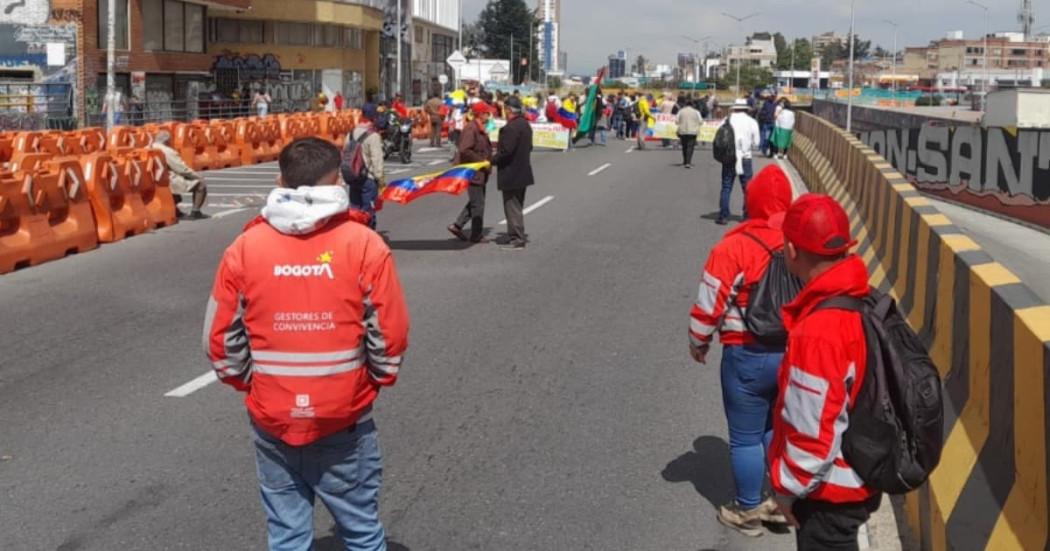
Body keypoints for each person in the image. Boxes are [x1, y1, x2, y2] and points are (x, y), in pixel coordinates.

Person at [204, 137, 410, 551]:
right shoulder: (364, 243)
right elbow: (389, 333)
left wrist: (251, 383)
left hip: (273, 416)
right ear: (337, 180)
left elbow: (220, 339)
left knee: (287, 536)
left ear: (280, 179)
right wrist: (375, 380)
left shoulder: (245, 247)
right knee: (363, 532)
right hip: (343, 416)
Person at [769, 193, 880, 550]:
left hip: (829, 493)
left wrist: (787, 490)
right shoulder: (861, 297)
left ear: (791, 249)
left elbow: (812, 434)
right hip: (858, 478)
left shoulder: (818, 332)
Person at [688, 165, 795, 536]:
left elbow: (709, 304)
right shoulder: (801, 242)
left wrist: (698, 341)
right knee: (776, 430)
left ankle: (749, 510)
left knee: (746, 436)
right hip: (794, 354)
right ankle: (781, 503)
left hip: (746, 353)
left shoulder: (734, 245)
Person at [447, 102, 494, 244]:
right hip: (473, 171)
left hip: (480, 171)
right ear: (481, 114)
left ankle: (457, 226)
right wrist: (481, 161)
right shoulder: (471, 129)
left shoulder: (480, 128)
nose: (489, 115)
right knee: (478, 204)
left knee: (476, 201)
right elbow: (464, 150)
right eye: (487, 113)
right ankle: (476, 234)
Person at [492, 97, 534, 252]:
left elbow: (506, 152)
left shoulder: (511, 128)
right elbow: (529, 146)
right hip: (522, 171)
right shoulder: (525, 125)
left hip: (511, 172)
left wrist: (491, 160)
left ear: (509, 110)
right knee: (517, 205)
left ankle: (517, 238)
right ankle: (513, 234)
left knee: (512, 206)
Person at [717, 99, 760, 225]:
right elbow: (756, 143)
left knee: (726, 186)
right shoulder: (751, 122)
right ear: (746, 109)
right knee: (747, 188)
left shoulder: (726, 120)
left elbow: (718, 136)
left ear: (734, 108)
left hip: (729, 157)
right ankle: (746, 215)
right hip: (745, 158)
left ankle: (723, 215)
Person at [151, 130, 207, 220]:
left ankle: (175, 210)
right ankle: (195, 212)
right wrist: (197, 176)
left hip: (151, 179)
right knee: (201, 185)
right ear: (167, 141)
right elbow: (181, 169)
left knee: (176, 190)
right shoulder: (167, 151)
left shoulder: (147, 147)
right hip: (166, 179)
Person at [349, 104, 385, 229]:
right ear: (374, 118)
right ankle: (367, 234)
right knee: (368, 210)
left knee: (354, 209)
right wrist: (380, 179)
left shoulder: (351, 133)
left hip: (353, 176)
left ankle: (355, 233)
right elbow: (377, 159)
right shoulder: (373, 136)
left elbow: (345, 152)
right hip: (367, 178)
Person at [675, 100, 702, 168]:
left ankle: (685, 161)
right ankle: (688, 162)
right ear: (692, 105)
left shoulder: (681, 111)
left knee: (684, 146)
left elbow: (676, 121)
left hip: (683, 131)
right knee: (690, 147)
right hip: (693, 131)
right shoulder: (696, 112)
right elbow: (700, 121)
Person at [757, 93, 777, 157]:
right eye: (772, 96)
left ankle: (766, 149)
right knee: (766, 137)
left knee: (770, 138)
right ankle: (764, 150)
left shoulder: (775, 104)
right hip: (767, 122)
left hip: (772, 122)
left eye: (774, 97)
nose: (773, 98)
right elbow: (762, 112)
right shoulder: (766, 103)